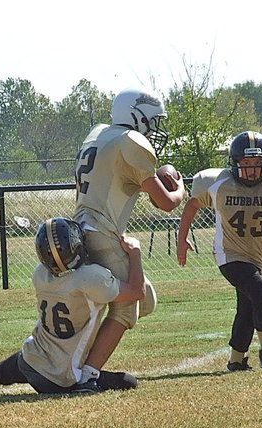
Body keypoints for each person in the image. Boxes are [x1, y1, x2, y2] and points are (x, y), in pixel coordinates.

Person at [0, 217, 145, 400]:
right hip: (62, 376)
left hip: (32, 358)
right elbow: (137, 292)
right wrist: (135, 253)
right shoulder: (91, 278)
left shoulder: (40, 274)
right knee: (128, 381)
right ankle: (86, 382)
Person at [72, 88, 186, 383]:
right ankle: (87, 375)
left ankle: (81, 358)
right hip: (102, 231)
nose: (155, 128)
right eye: (153, 120)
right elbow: (165, 203)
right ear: (138, 116)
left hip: (83, 229)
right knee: (126, 309)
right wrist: (180, 189)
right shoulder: (131, 141)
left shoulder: (98, 134)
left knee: (146, 300)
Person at [177, 131, 262, 371]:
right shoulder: (219, 185)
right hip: (229, 255)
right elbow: (192, 205)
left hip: (258, 257)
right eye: (247, 163)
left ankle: (236, 361)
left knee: (247, 309)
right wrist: (182, 239)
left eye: (258, 163)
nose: (252, 169)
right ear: (235, 163)